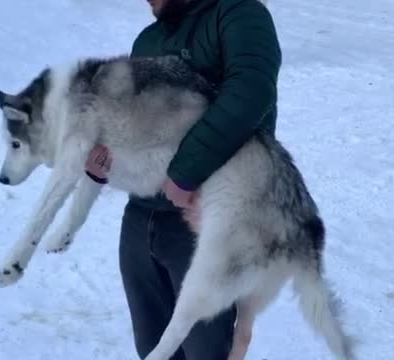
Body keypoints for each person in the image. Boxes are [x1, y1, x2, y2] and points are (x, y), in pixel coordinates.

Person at [85, 0, 282, 358]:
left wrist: (187, 172)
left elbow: (252, 91)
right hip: (140, 220)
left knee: (207, 350)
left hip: (205, 222)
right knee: (153, 347)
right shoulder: (147, 39)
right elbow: (131, 118)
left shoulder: (238, 13)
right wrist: (103, 153)